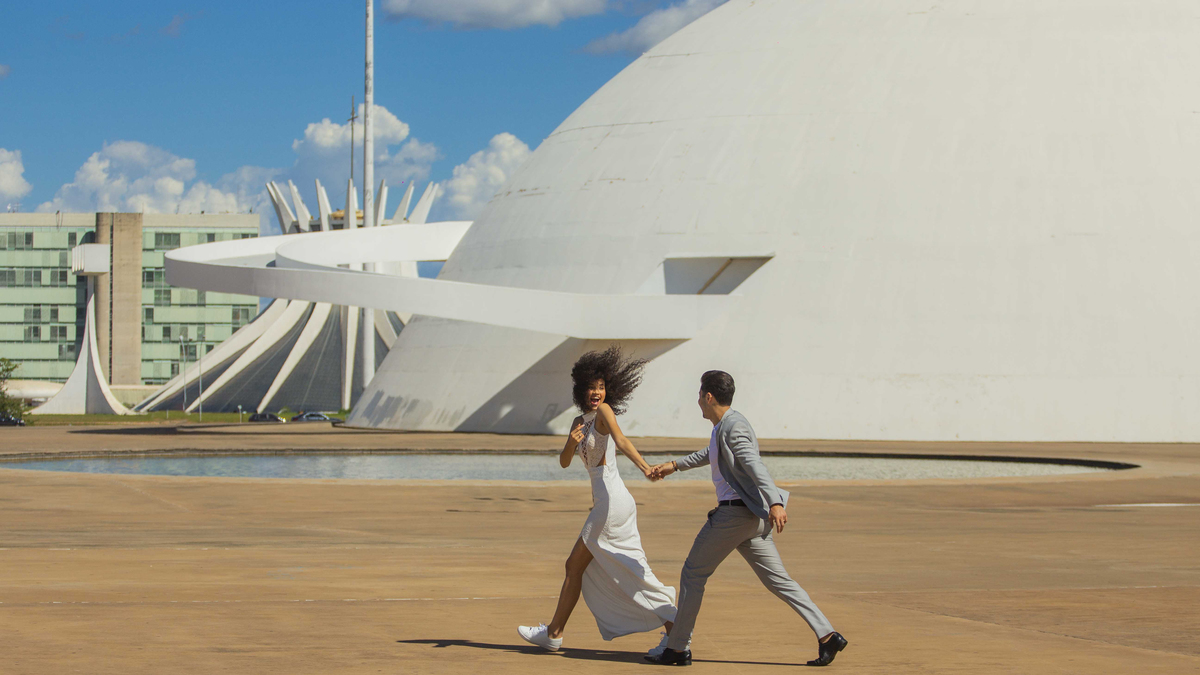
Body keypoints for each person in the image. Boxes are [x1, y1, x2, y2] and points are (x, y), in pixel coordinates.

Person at [644, 370, 848, 667]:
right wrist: (674, 465)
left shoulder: (733, 427)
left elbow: (755, 466)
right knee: (779, 581)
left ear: (708, 396)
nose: (698, 400)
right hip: (750, 518)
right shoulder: (724, 426)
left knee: (692, 574)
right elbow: (712, 453)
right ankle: (827, 636)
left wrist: (776, 502)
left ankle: (676, 648)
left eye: (700, 395)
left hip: (734, 514)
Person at [518, 346, 679, 655]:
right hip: (606, 503)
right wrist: (569, 442)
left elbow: (621, 440)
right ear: (582, 389)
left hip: (612, 502)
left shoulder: (605, 412)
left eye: (602, 387)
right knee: (615, 568)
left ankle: (554, 633)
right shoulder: (579, 421)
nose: (597, 392)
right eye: (592, 387)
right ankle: (673, 627)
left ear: (609, 390)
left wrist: (646, 467)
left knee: (579, 566)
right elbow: (565, 462)